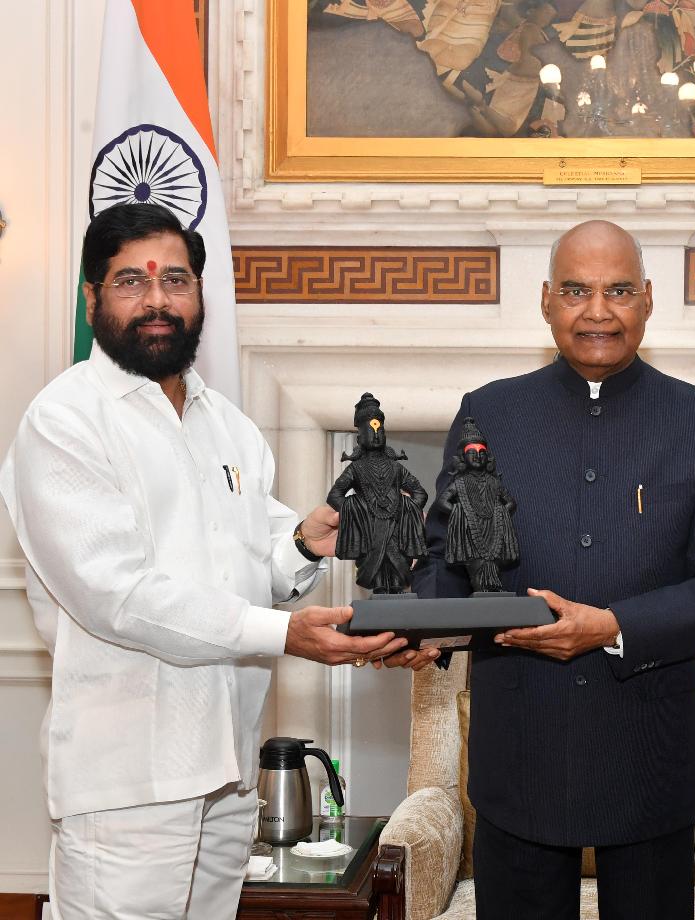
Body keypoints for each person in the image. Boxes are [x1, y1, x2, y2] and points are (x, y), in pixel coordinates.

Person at [0, 203, 406, 920]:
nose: (157, 299)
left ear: (200, 293)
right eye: (131, 280)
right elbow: (119, 597)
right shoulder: (65, 421)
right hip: (130, 781)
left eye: (176, 280)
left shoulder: (229, 425)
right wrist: (286, 634)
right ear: (92, 299)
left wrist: (304, 542)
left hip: (228, 771)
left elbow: (248, 563)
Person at [390, 220, 695, 919]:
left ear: (648, 299)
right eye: (575, 290)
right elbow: (448, 559)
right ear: (545, 300)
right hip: (519, 758)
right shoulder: (489, 413)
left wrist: (613, 626)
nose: (597, 311)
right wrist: (416, 628)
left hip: (648, 762)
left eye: (618, 290)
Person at [327, 392, 428, 593]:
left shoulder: (396, 468)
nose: (375, 435)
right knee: (377, 577)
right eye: (370, 431)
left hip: (396, 530)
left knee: (399, 575)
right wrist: (358, 509)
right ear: (359, 438)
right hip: (369, 531)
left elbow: (420, 493)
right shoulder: (356, 468)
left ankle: (397, 590)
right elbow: (334, 495)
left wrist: (405, 510)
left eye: (379, 431)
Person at [432, 417, 520, 592]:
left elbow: (511, 502)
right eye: (472, 453)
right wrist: (461, 513)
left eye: (482, 453)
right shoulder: (460, 483)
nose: (478, 457)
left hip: (494, 529)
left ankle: (493, 589)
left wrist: (500, 512)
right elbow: (442, 501)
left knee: (494, 564)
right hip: (471, 532)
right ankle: (482, 589)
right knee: (477, 565)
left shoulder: (493, 482)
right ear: (463, 458)